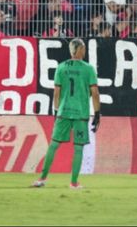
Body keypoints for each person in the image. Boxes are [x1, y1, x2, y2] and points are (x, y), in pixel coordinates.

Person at [32, 38, 101, 189]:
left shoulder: (61, 67)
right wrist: (97, 113)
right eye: (83, 48)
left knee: (54, 145)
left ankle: (41, 179)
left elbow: (56, 93)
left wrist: (57, 111)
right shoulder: (88, 69)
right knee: (78, 148)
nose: (84, 50)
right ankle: (74, 182)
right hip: (81, 114)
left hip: (63, 112)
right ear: (80, 49)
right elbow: (95, 93)